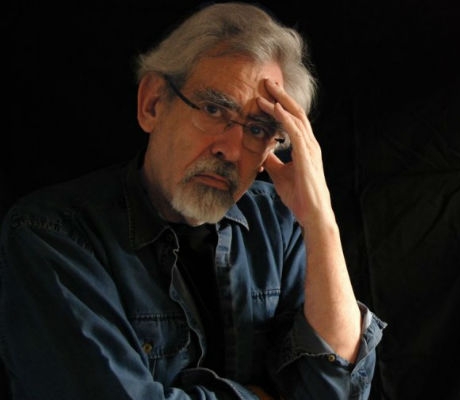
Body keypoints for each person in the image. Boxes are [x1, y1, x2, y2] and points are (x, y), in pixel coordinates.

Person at [0, 2, 386, 399]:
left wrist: (320, 221)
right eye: (214, 109)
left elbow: (338, 388)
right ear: (152, 104)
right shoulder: (53, 234)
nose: (230, 149)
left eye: (257, 129)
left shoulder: (282, 223)